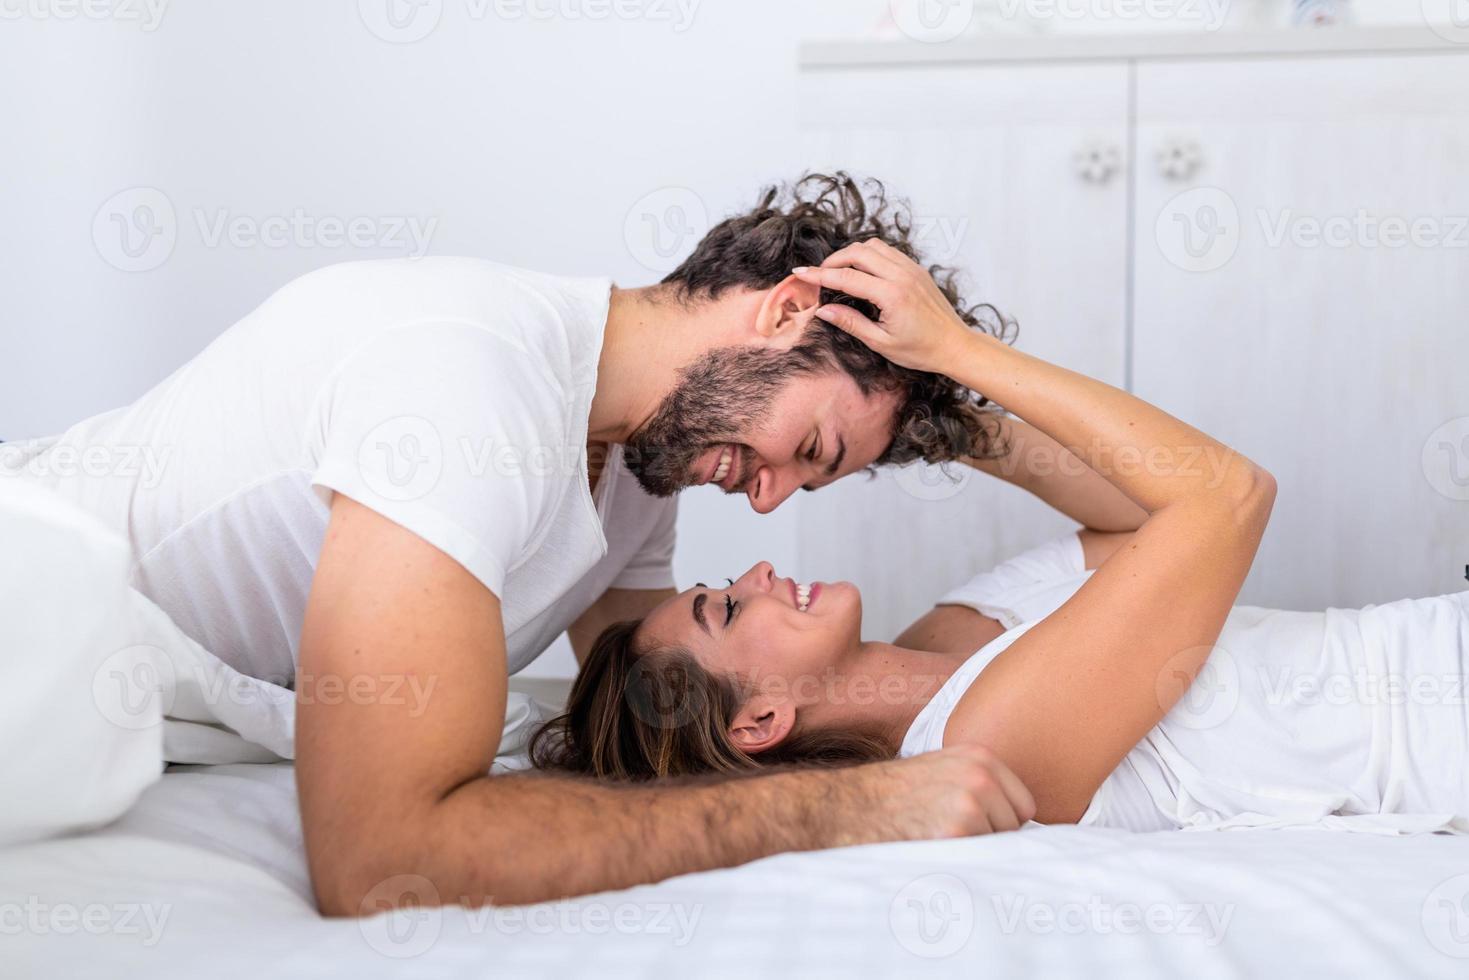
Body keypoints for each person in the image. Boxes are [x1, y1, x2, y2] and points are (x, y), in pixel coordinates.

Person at [7, 173, 1153, 911]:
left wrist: (952, 373)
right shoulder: (465, 389)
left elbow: (655, 732)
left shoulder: (635, 469)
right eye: (804, 447)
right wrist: (856, 806)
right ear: (787, 309)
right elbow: (380, 859)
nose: (764, 507)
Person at [534, 241, 1469, 833]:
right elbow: (1223, 497)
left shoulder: (951, 640)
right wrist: (956, 352)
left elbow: (1129, 521)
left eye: (825, 464)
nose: (760, 560)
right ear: (760, 723)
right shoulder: (984, 744)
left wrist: (936, 418)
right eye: (726, 606)